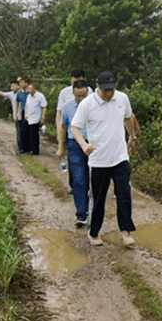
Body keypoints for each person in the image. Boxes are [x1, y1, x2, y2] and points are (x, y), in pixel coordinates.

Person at [70, 71, 139, 247]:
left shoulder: (122, 98)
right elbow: (75, 128)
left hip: (120, 157)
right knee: (98, 199)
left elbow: (128, 117)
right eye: (105, 90)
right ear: (98, 86)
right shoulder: (87, 104)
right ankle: (93, 233)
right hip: (99, 160)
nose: (109, 94)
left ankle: (125, 231)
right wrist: (84, 145)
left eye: (112, 89)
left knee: (124, 195)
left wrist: (132, 137)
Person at [57, 81, 90, 227]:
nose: (81, 95)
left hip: (92, 145)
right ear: (73, 92)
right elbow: (63, 127)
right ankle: (81, 214)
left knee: (91, 180)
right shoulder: (67, 107)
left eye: (84, 92)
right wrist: (61, 146)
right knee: (78, 180)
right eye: (78, 92)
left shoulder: (94, 105)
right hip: (74, 145)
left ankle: (90, 210)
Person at [56, 69, 86, 192]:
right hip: (71, 133)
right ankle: (74, 186)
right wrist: (60, 140)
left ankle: (85, 188)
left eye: (80, 80)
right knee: (74, 163)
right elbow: (59, 113)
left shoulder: (91, 92)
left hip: (87, 133)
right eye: (75, 80)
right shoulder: (64, 93)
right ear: (71, 80)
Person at [0, 80, 22, 152]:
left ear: (18, 85)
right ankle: (21, 148)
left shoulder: (24, 93)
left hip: (27, 117)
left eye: (13, 86)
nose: (11, 88)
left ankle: (28, 148)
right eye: (11, 86)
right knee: (19, 132)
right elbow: (3, 94)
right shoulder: (12, 94)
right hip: (17, 117)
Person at [23, 80, 48, 155]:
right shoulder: (29, 96)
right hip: (29, 118)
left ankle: (35, 151)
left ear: (34, 89)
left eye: (30, 88)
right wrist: (26, 114)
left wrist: (43, 117)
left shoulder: (40, 96)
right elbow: (27, 106)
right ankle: (29, 148)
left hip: (36, 118)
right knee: (27, 133)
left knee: (34, 135)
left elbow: (44, 107)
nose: (28, 90)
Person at [14, 76, 29, 153]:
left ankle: (29, 147)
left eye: (22, 82)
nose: (20, 84)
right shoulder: (19, 93)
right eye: (20, 83)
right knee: (21, 130)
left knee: (29, 130)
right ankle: (22, 148)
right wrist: (15, 114)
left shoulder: (30, 92)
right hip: (22, 112)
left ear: (26, 83)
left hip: (30, 113)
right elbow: (17, 104)